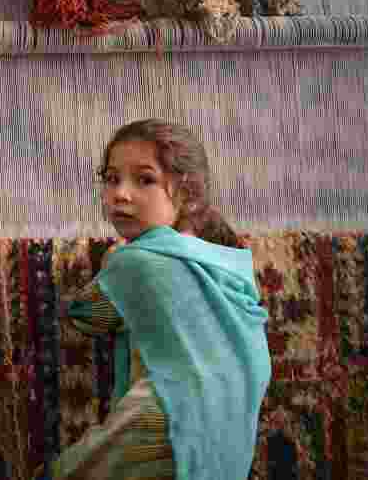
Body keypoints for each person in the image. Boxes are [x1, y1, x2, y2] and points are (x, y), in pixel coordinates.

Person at [37, 118, 272, 479]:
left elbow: (88, 315)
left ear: (187, 194)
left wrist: (110, 262)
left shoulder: (135, 261)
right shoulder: (230, 263)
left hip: (161, 411)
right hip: (226, 422)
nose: (121, 194)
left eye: (144, 179)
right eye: (112, 178)